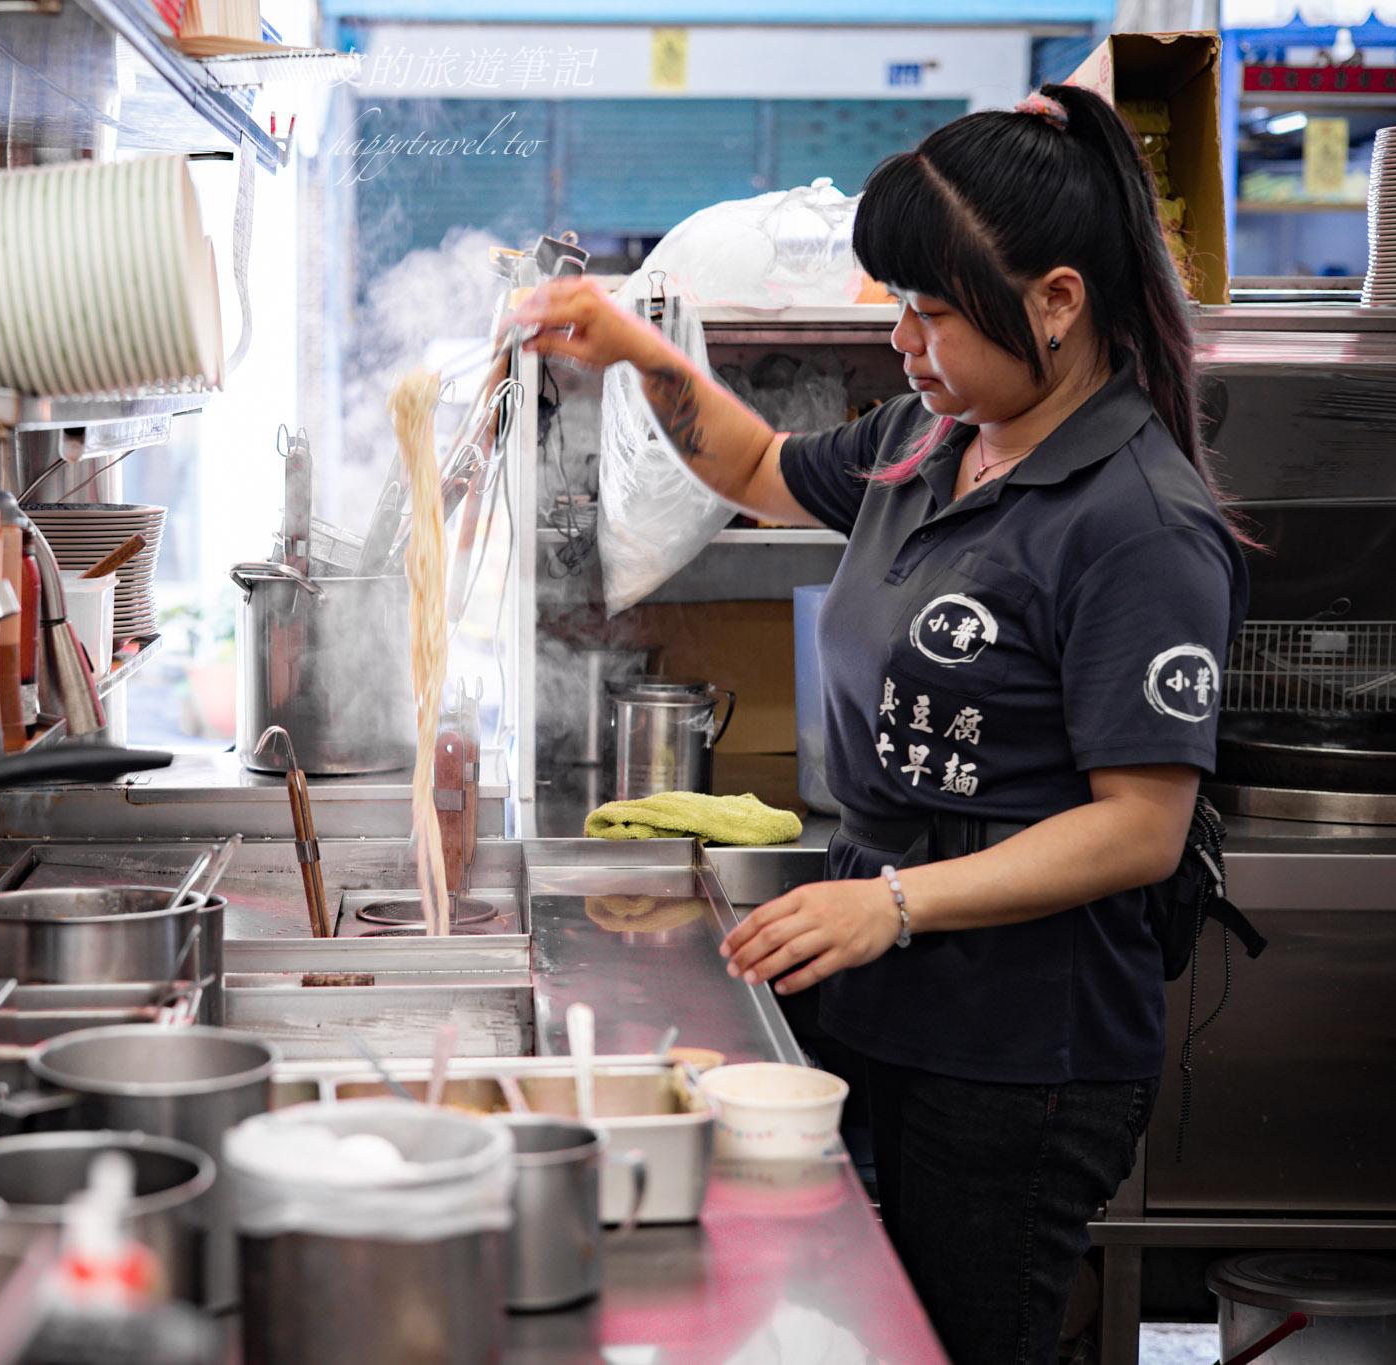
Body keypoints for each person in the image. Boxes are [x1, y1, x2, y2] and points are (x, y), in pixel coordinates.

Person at [503, 84, 1250, 1365]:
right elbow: (752, 470)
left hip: (1021, 1052)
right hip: (884, 1008)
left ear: (1057, 302)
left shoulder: (1138, 524)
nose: (902, 339)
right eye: (897, 304)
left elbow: (1138, 829)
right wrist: (632, 346)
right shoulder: (932, 438)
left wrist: (890, 902)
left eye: (931, 311)